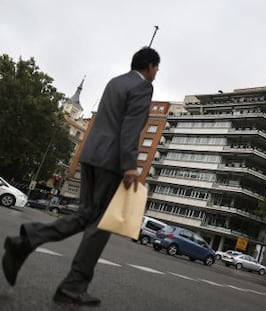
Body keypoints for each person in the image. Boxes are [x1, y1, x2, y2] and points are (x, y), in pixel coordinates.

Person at [2, 47, 160, 306]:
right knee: (100, 225)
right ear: (150, 67)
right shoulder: (144, 87)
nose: (157, 73)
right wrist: (130, 165)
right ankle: (73, 286)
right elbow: (131, 126)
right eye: (157, 68)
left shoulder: (115, 82)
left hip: (90, 156)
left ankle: (26, 241)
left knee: (86, 215)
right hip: (111, 163)